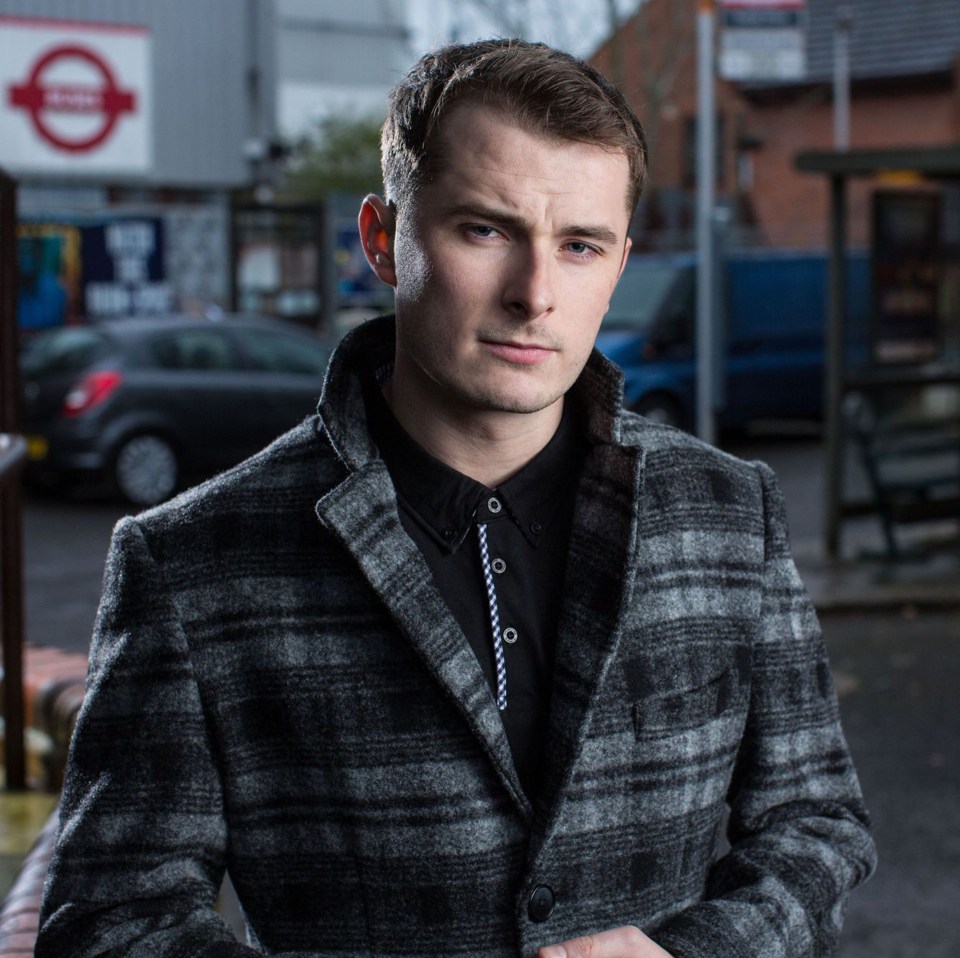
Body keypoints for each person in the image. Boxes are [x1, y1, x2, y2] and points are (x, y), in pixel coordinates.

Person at [37, 38, 875, 958]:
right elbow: (113, 923)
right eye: (486, 229)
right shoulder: (192, 561)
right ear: (383, 239)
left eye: (580, 245)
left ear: (620, 263)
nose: (535, 295)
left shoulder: (729, 511)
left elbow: (816, 824)